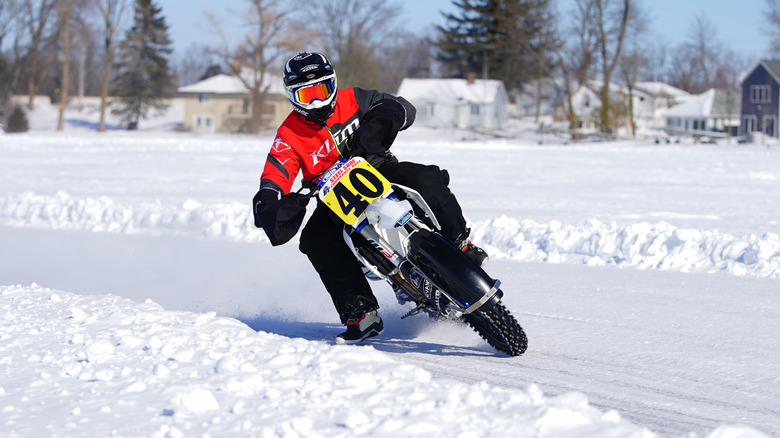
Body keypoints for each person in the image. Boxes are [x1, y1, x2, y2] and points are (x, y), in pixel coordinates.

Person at [253, 52, 488, 344]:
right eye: (307, 94)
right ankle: (360, 312)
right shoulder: (288, 135)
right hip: (332, 198)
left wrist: (387, 115)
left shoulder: (355, 98)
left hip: (378, 167)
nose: (316, 101)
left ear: (333, 84)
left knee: (429, 178)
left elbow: (403, 108)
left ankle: (460, 242)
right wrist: (268, 203)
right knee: (314, 239)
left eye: (321, 90)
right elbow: (273, 176)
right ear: (292, 96)